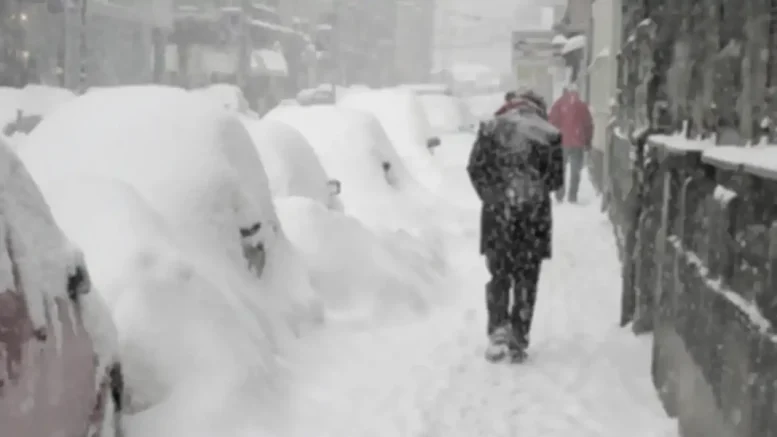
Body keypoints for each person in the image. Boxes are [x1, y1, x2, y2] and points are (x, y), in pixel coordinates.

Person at [467, 91, 564, 362]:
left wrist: (495, 197)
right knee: (527, 278)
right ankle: (519, 336)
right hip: (533, 221)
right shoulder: (549, 135)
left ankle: (498, 329)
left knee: (499, 275)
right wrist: (533, 189)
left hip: (499, 219)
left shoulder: (490, 129)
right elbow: (556, 180)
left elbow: (475, 168)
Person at [548, 84, 593, 203]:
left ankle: (559, 194)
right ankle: (572, 196)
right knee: (575, 170)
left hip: (562, 142)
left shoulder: (558, 104)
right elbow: (588, 124)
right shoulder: (582, 106)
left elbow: (552, 121)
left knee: (560, 169)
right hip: (578, 142)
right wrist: (588, 141)